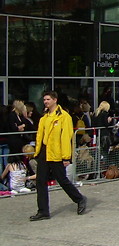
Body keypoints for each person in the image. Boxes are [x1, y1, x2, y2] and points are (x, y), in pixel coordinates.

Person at [31, 91, 87, 221]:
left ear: (55, 100)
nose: (45, 102)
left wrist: (66, 157)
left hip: (56, 152)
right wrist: (37, 152)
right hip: (44, 151)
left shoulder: (64, 116)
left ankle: (79, 199)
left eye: (48, 99)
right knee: (40, 181)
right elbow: (40, 136)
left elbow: (66, 137)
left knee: (62, 180)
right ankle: (43, 211)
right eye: (44, 99)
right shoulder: (44, 117)